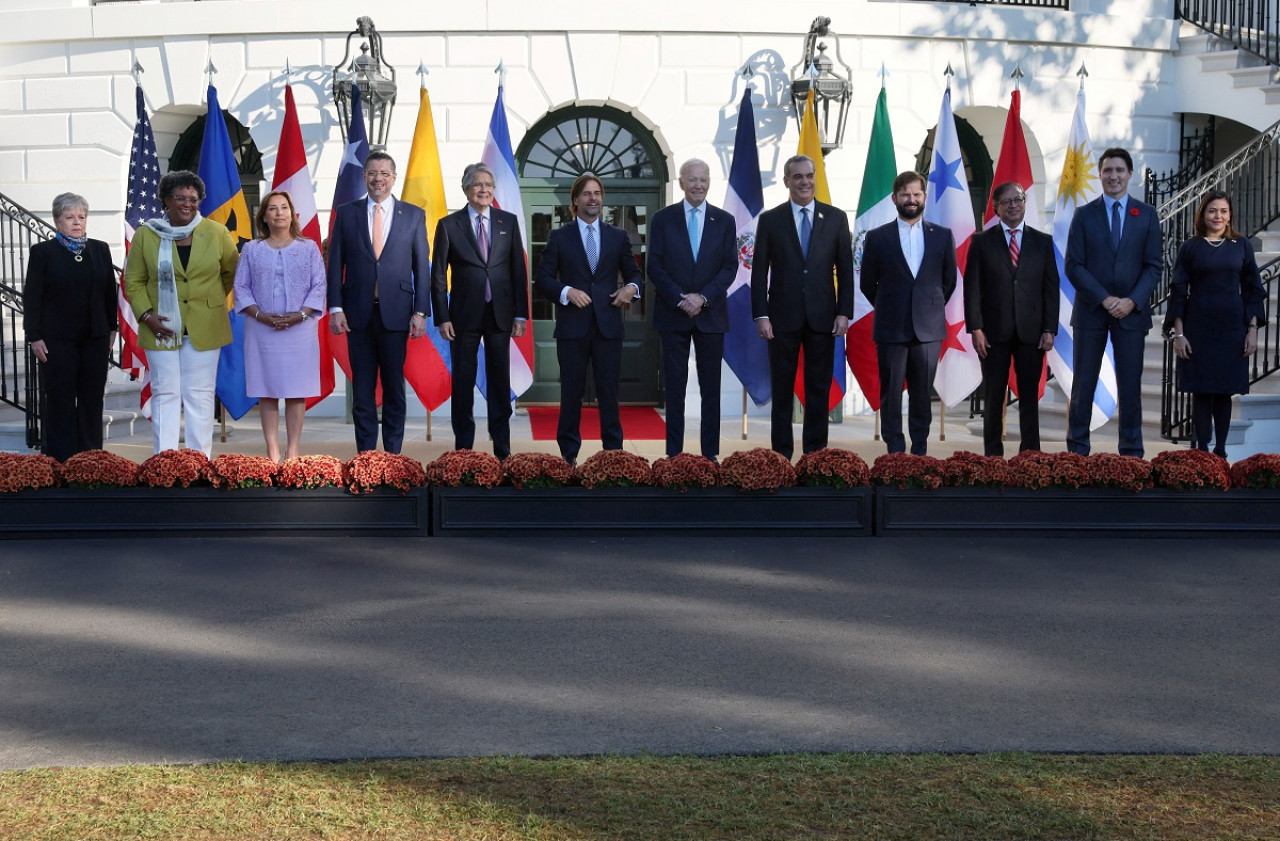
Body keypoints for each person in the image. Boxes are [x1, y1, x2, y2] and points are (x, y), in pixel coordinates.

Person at [124, 170, 239, 456]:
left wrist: (207, 301)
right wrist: (147, 316)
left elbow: (232, 273)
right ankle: (166, 461)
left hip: (205, 325)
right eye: (180, 197)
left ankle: (199, 462)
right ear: (166, 200)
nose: (188, 203)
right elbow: (133, 280)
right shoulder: (146, 234)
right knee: (165, 393)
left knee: (199, 396)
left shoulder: (216, 232)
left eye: (193, 198)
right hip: (158, 326)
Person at [326, 151, 431, 454]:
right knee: (362, 391)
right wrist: (335, 307)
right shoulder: (347, 213)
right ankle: (367, 456)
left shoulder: (412, 215)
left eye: (385, 173)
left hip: (397, 314)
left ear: (393, 178)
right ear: (364, 177)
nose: (378, 179)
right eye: (372, 173)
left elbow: (421, 267)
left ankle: (393, 456)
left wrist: (420, 311)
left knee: (395, 389)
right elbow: (335, 263)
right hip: (357, 314)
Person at [534, 172, 642, 465]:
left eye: (596, 193)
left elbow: (633, 274)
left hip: (608, 326)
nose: (592, 198)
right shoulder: (559, 237)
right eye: (586, 194)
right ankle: (568, 457)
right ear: (575, 200)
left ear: (601, 199)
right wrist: (567, 291)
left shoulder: (617, 237)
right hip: (572, 328)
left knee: (609, 392)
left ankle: (614, 456)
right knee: (572, 393)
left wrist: (631, 289)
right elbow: (542, 279)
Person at [750, 154, 853, 459]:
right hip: (781, 319)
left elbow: (845, 270)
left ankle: (815, 455)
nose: (805, 182)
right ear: (787, 182)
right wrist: (761, 315)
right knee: (782, 390)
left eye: (809, 176)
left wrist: (844, 311)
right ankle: (781, 456)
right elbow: (759, 272)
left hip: (823, 318)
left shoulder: (835, 218)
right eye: (798, 177)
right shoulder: (771, 220)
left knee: (818, 390)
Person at [1065, 147, 1162, 457]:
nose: (1113, 176)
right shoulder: (1084, 214)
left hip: (1131, 314)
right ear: (1100, 174)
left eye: (1119, 170)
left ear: (1130, 174)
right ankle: (1077, 450)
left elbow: (1154, 266)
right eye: (1107, 170)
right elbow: (1074, 265)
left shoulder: (1146, 215)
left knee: (1130, 386)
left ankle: (1131, 452)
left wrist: (1131, 301)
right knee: (1084, 385)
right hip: (1092, 311)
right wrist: (1105, 299)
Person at [431, 162, 529, 459]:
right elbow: (437, 275)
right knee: (463, 381)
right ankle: (464, 450)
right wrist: (442, 317)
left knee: (500, 382)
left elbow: (518, 270)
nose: (484, 189)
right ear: (466, 189)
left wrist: (520, 313)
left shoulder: (507, 222)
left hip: (500, 313)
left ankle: (502, 450)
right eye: (478, 184)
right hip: (463, 315)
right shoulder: (449, 225)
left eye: (488, 184)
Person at [859, 171, 957, 455]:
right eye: (905, 195)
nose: (911, 200)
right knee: (890, 393)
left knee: (921, 394)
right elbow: (868, 283)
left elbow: (948, 281)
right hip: (891, 327)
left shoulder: (941, 236)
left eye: (916, 194)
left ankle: (919, 451)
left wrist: (927, 306)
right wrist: (892, 306)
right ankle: (895, 452)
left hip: (928, 329)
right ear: (894, 199)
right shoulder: (877, 238)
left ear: (924, 197)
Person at [647, 158, 737, 461]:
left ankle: (710, 456)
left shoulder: (724, 220)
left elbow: (729, 267)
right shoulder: (663, 218)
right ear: (682, 182)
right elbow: (654, 265)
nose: (698, 185)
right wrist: (679, 298)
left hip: (711, 315)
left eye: (704, 179)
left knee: (711, 391)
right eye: (692, 179)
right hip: (673, 315)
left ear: (709, 182)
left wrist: (703, 298)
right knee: (674, 390)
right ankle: (674, 456)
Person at [1164, 189, 1266, 457]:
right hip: (1197, 326)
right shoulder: (1190, 247)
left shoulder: (1242, 245)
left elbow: (1253, 288)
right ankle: (1201, 450)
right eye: (1212, 210)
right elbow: (1178, 290)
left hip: (1232, 327)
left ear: (1230, 215)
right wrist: (1179, 334)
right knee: (1202, 390)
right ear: (1203, 214)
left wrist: (1252, 330)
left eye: (1223, 211)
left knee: (1223, 390)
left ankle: (1220, 451)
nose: (1217, 216)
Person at [964, 182, 1060, 456]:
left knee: (1029, 397)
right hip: (993, 333)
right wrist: (976, 328)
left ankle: (1030, 456)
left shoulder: (1042, 242)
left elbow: (1050, 288)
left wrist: (1049, 328)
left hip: (1032, 333)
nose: (1013, 205)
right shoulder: (981, 242)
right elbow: (972, 289)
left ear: (1024, 203)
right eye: (1006, 202)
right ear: (996, 208)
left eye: (1017, 199)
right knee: (994, 396)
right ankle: (993, 456)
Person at [233, 190, 327, 461]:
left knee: (297, 390)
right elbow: (241, 286)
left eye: (284, 208)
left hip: (300, 328)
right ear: (263, 216)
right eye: (272, 209)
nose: (278, 213)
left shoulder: (308, 247)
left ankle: (293, 449)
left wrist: (300, 315)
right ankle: (272, 450)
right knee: (267, 389)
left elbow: (319, 285)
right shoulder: (252, 249)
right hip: (262, 327)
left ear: (292, 214)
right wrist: (260, 315)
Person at [23, 192, 117, 461]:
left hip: (95, 337)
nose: (77, 222)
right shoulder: (43, 252)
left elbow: (109, 292)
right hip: (56, 340)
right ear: (57, 221)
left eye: (81, 217)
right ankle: (60, 460)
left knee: (91, 399)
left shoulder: (100, 249)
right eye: (69, 217)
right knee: (60, 399)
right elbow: (33, 296)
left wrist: (112, 328)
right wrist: (34, 336)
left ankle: (90, 459)